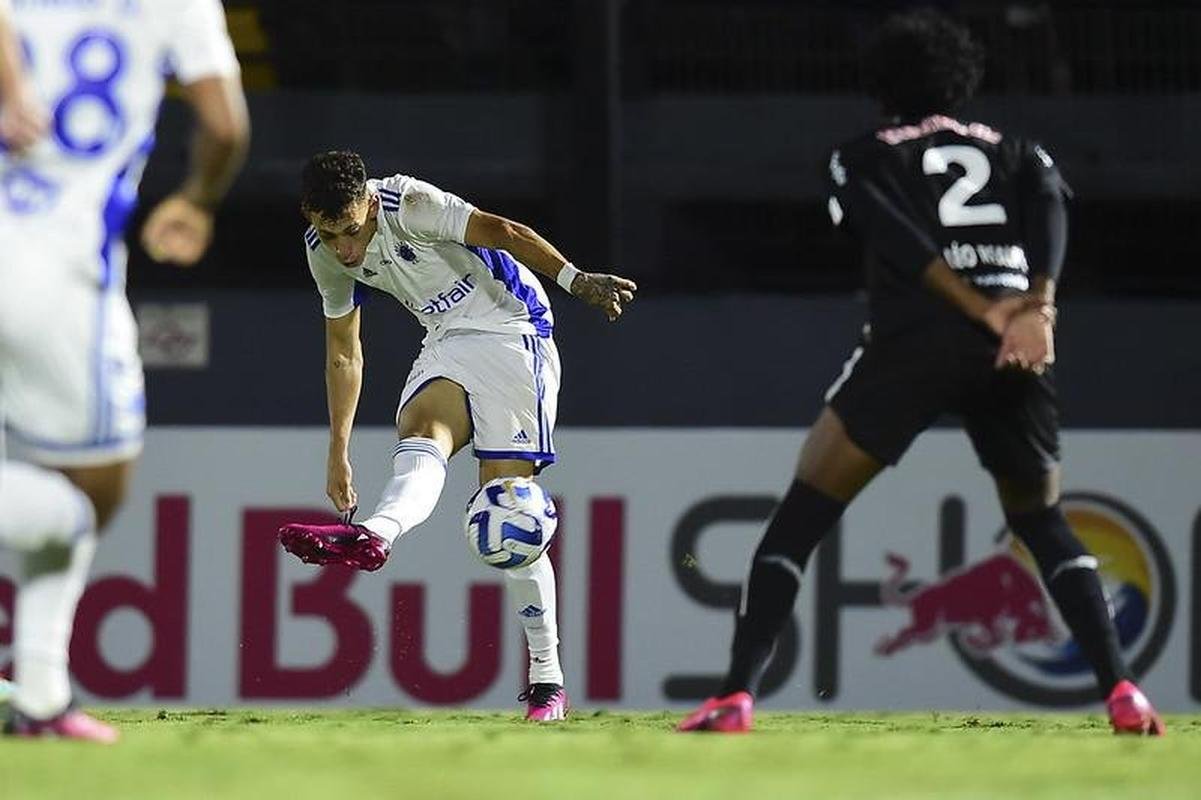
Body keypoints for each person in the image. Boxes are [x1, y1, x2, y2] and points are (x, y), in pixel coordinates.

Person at [678, 9, 1164, 735]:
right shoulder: (1017, 150)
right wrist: (1036, 308)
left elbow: (892, 236)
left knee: (798, 520)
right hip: (1015, 349)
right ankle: (1122, 690)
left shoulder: (859, 155)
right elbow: (1052, 209)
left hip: (916, 342)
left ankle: (735, 697)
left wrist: (977, 307)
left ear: (880, 84)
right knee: (1039, 520)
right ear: (960, 80)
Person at [277, 151, 636, 722]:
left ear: (369, 203)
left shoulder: (409, 203)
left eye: (352, 230)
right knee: (419, 430)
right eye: (330, 233)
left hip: (514, 328)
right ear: (310, 217)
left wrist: (575, 280)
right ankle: (374, 535)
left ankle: (548, 681)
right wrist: (337, 449)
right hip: (446, 338)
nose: (346, 248)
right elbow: (344, 352)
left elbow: (503, 230)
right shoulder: (324, 254)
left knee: (508, 509)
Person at [0, 0, 249, 741]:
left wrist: (13, 88)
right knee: (93, 491)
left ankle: (41, 691)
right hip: (56, 271)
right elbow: (227, 125)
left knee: (70, 501)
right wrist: (198, 200)